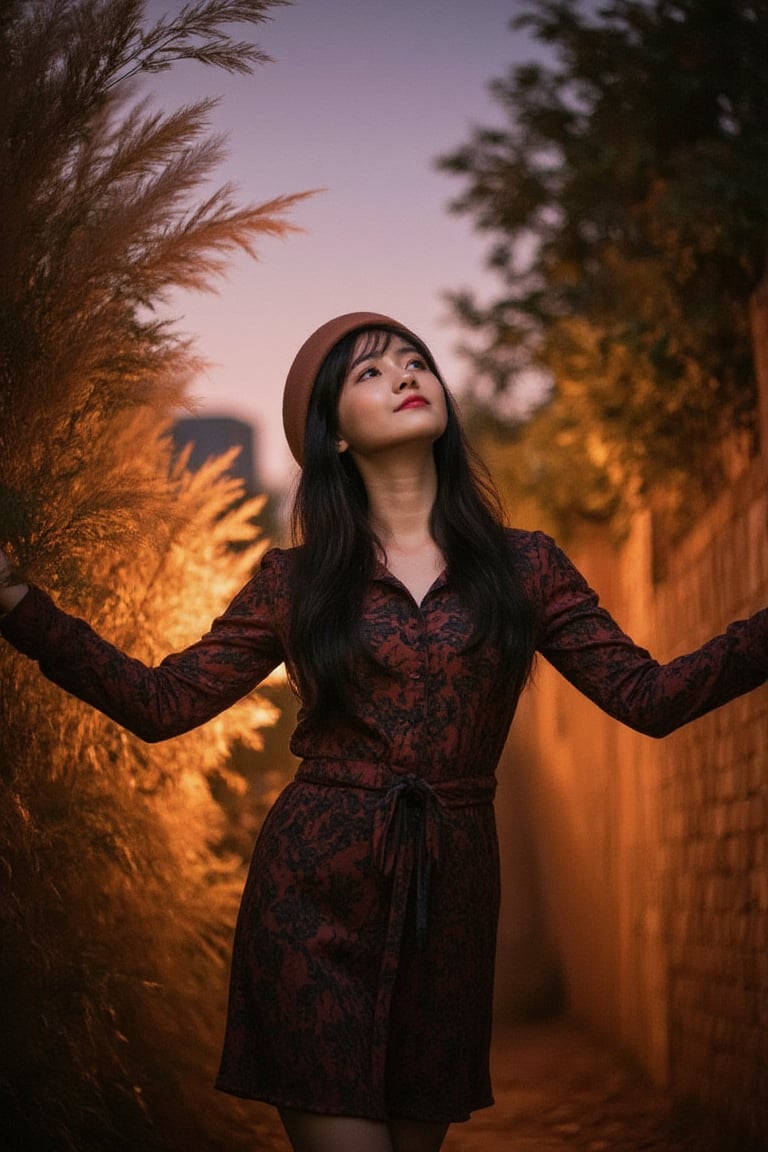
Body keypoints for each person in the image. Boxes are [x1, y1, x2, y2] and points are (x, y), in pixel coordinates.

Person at [1, 310, 767, 1152]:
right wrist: (21, 608)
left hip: (452, 897)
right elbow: (162, 703)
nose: (406, 376)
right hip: (311, 895)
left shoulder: (528, 567)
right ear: (330, 435)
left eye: (415, 362)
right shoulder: (295, 583)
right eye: (371, 373)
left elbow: (648, 697)